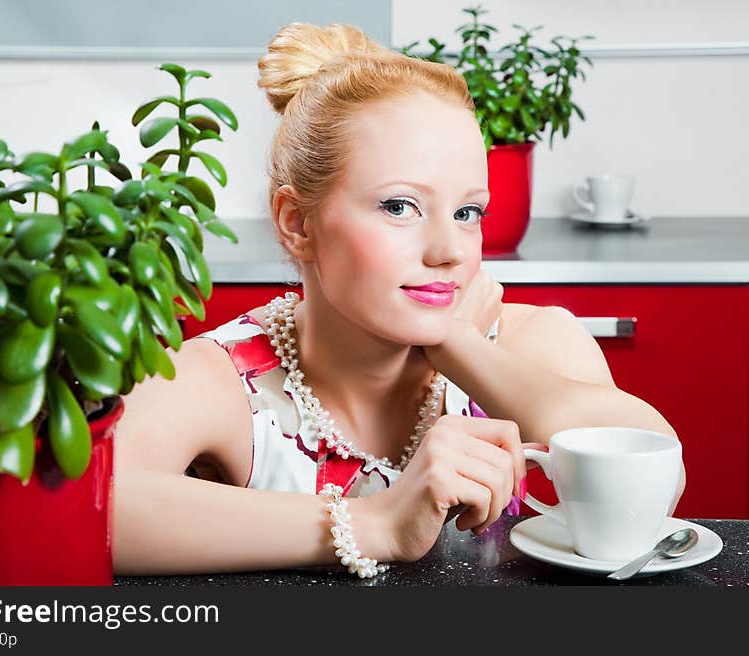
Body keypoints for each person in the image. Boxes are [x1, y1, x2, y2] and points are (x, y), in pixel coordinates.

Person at [112, 22, 684, 577]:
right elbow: (97, 507)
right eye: (399, 206)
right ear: (297, 223)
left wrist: (458, 344)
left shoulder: (528, 341)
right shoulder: (226, 377)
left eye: (467, 212)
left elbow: (659, 476)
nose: (448, 251)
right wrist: (377, 524)